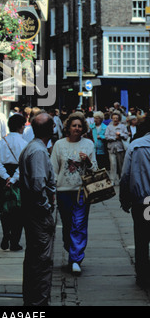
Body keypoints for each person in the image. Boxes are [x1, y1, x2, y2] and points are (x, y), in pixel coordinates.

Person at [51, 112, 98, 275]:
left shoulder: (88, 144)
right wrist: (53, 190)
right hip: (63, 191)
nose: (77, 128)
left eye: (79, 126)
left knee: (79, 224)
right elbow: (53, 170)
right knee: (67, 225)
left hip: (81, 191)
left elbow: (95, 170)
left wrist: (88, 162)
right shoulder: (59, 145)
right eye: (74, 126)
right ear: (68, 128)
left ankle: (76, 259)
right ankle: (71, 249)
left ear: (83, 128)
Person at [19, 112, 56, 306]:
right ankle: (38, 304)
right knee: (41, 261)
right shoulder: (38, 151)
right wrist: (46, 209)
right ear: (51, 129)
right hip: (38, 214)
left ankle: (32, 302)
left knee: (34, 259)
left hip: (32, 212)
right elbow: (38, 184)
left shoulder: (33, 148)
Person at [120, 116, 150, 288]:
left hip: (143, 201)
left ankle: (143, 276)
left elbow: (126, 175)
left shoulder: (136, 145)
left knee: (141, 239)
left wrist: (125, 198)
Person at [0, 113, 27, 251]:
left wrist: (6, 177)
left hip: (3, 179)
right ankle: (15, 241)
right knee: (19, 211)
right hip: (18, 180)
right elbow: (23, 165)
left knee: (5, 210)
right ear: (22, 127)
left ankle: (5, 233)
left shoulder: (1, 143)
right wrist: (13, 179)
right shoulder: (25, 144)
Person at [105, 110, 128, 184]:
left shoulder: (123, 126)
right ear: (111, 118)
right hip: (111, 148)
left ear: (119, 119)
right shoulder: (109, 127)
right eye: (114, 118)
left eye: (116, 118)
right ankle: (112, 180)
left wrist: (120, 134)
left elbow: (126, 136)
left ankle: (122, 179)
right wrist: (115, 137)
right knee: (113, 164)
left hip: (120, 148)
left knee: (121, 164)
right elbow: (106, 136)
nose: (115, 119)